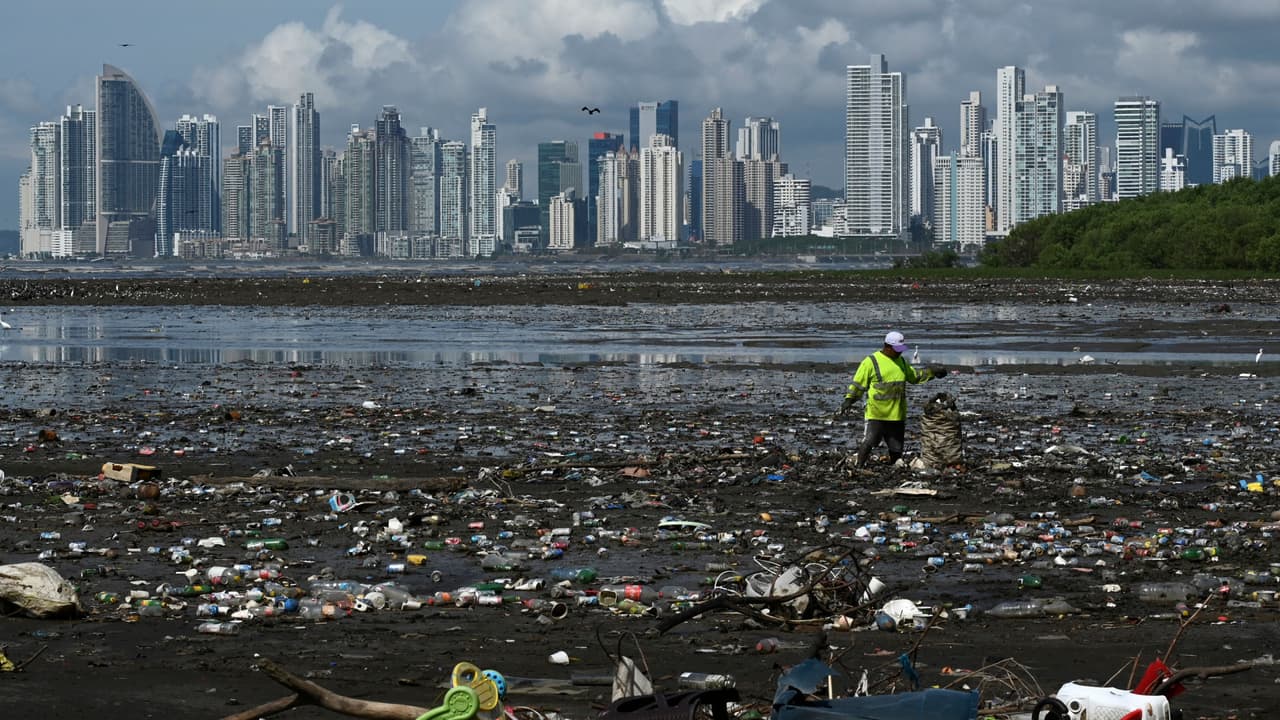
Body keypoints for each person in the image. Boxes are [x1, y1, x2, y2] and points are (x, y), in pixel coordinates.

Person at [838, 330, 947, 468]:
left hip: (897, 414)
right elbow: (858, 384)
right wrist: (849, 400)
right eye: (897, 350)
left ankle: (896, 467)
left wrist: (931, 372)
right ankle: (859, 466)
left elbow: (914, 376)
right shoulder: (871, 362)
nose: (900, 352)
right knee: (870, 441)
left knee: (896, 447)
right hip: (877, 413)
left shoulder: (901, 361)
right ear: (887, 347)